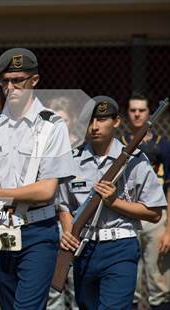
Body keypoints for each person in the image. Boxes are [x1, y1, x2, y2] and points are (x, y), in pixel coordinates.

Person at [0, 48, 75, 309]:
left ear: (34, 80)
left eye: (18, 80)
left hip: (37, 231)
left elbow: (47, 190)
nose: (11, 87)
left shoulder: (52, 126)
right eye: (5, 81)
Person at [59, 96, 166, 309]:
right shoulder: (72, 160)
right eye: (90, 121)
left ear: (116, 122)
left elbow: (154, 212)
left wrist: (114, 202)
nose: (94, 126)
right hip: (84, 248)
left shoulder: (136, 160)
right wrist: (68, 231)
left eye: (101, 119)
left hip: (120, 247)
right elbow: (63, 205)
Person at [121, 92, 170, 309]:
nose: (137, 114)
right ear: (126, 115)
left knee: (158, 280)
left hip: (155, 217)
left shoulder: (163, 145)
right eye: (133, 110)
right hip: (126, 215)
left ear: (149, 113)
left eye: (141, 110)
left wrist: (169, 228)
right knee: (128, 281)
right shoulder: (118, 145)